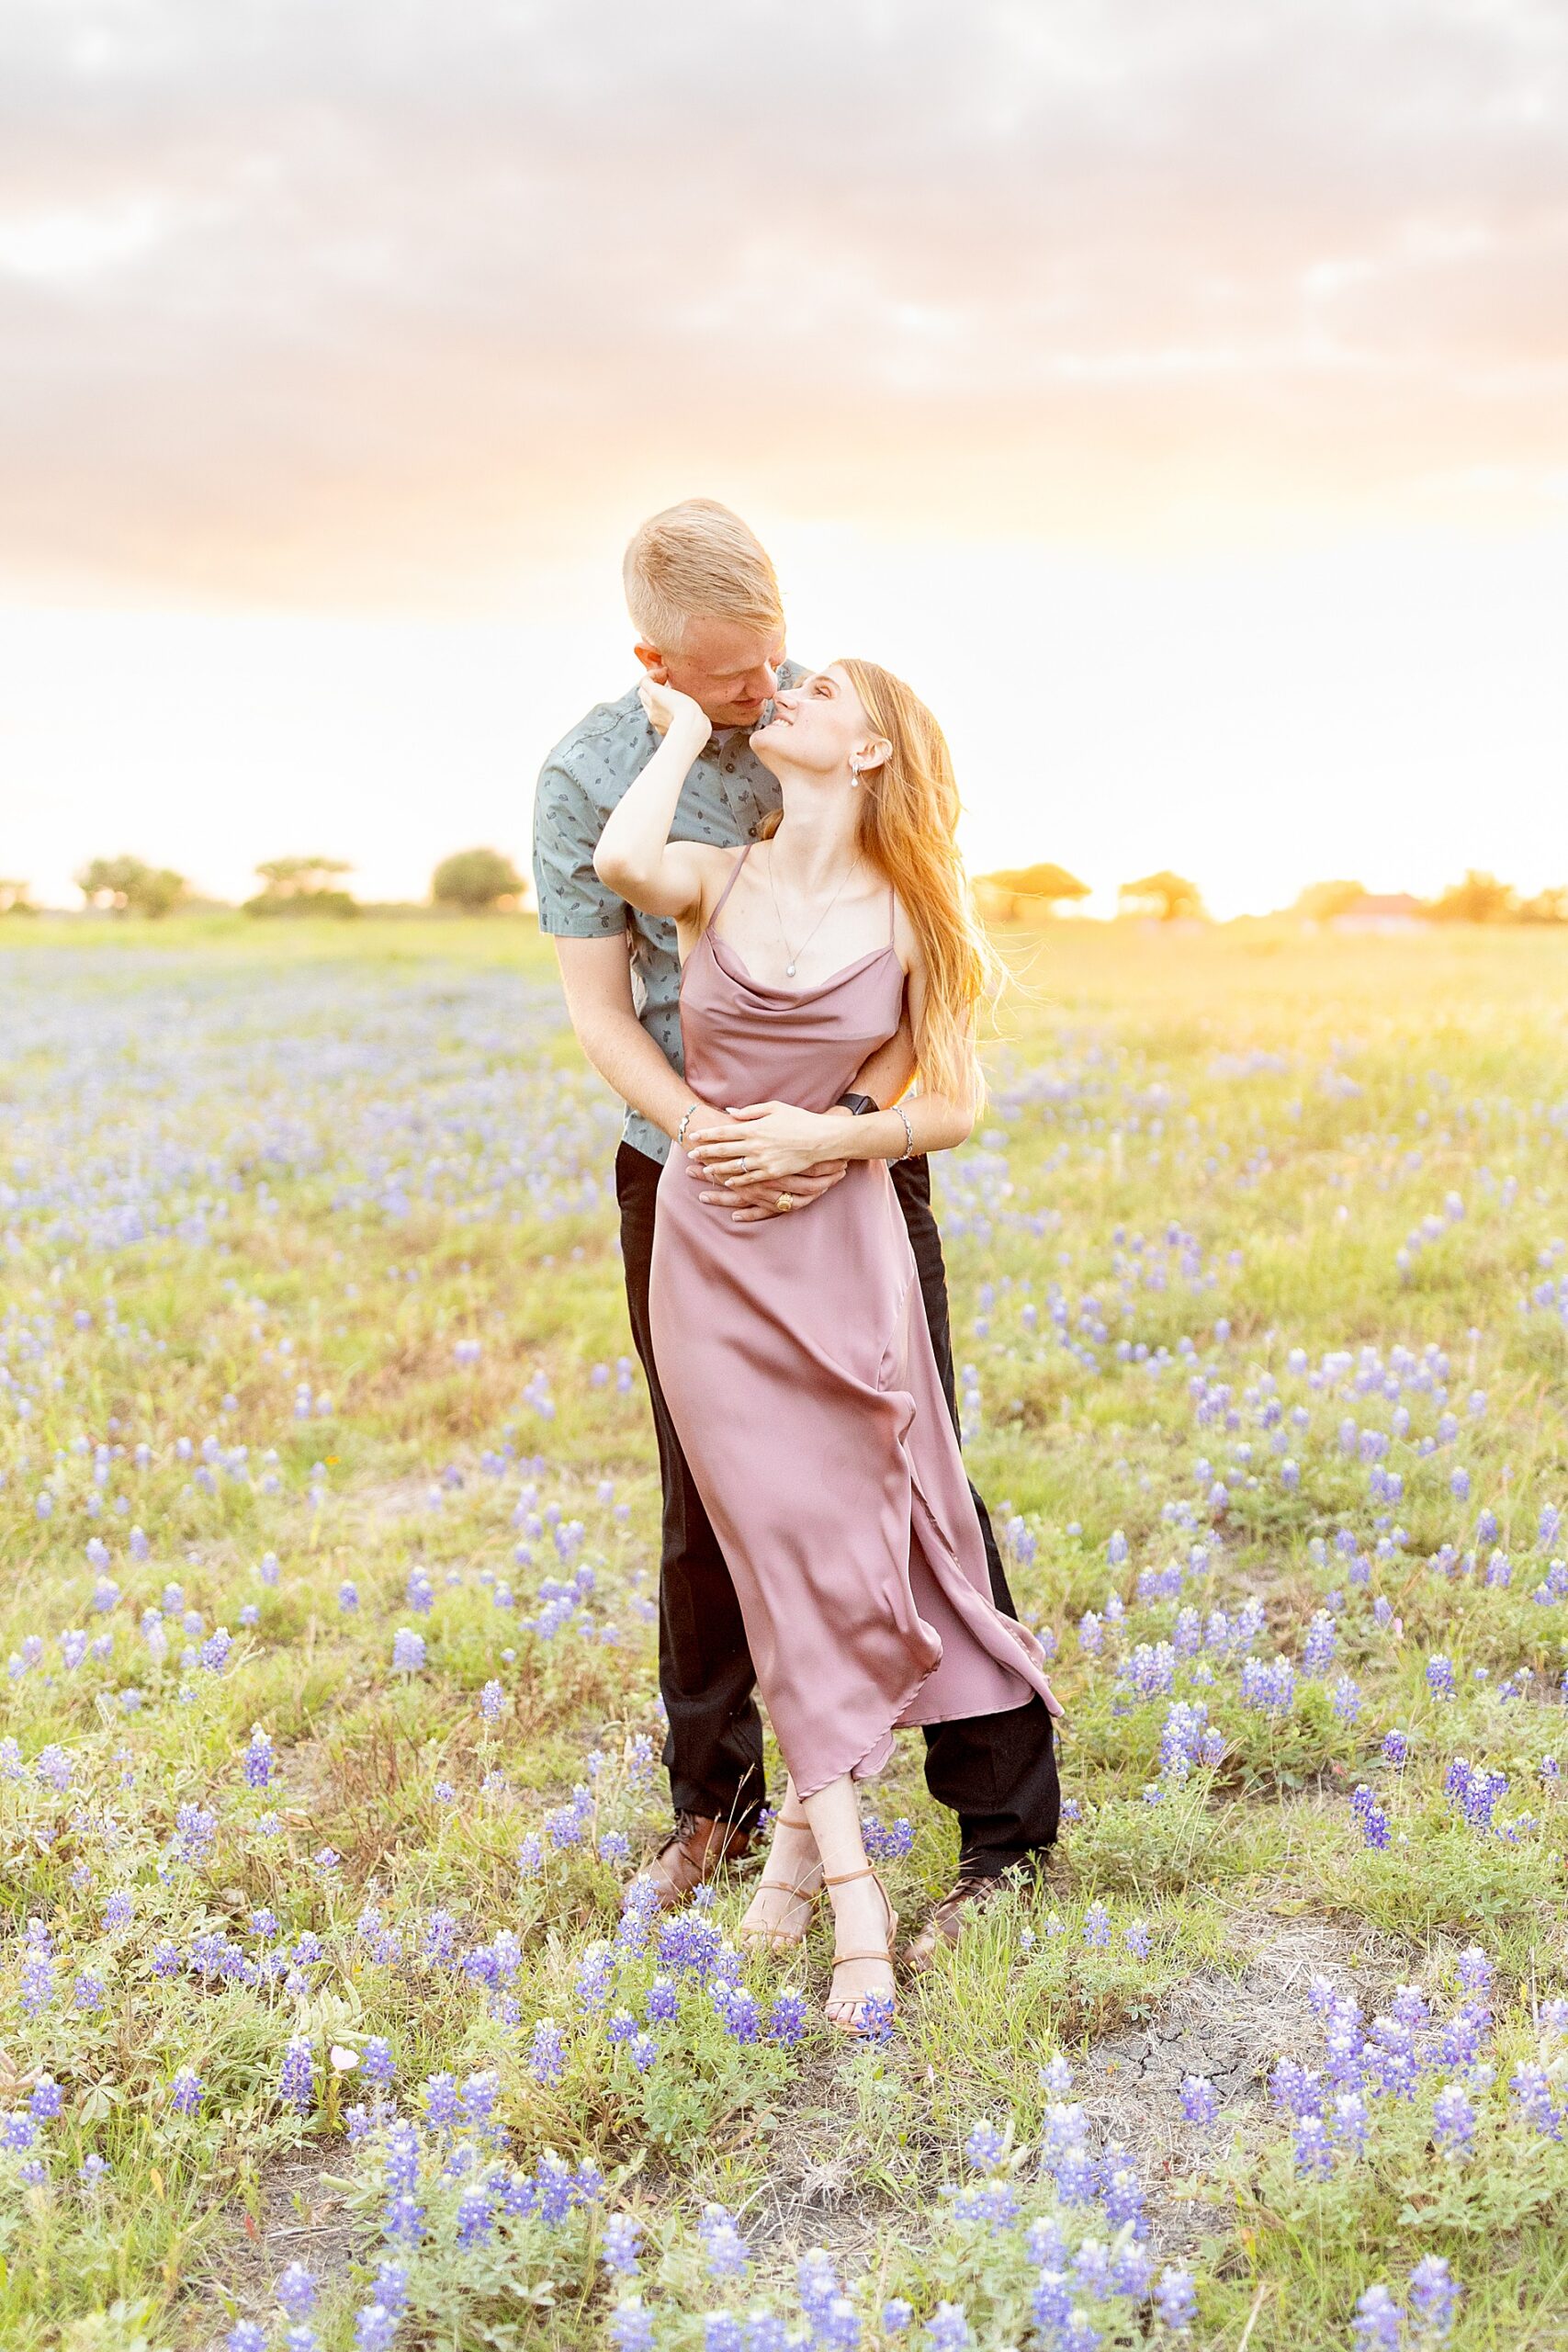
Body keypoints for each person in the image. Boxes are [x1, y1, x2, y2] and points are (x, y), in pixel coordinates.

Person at [531, 500, 1061, 1966]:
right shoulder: (592, 776)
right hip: (688, 1169)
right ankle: (722, 1805)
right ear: (658, 659)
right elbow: (598, 1007)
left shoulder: (834, 715)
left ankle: (1004, 1832)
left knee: (913, 1456)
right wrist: (715, 1142)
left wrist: (832, 1128)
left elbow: (918, 958)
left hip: (847, 1164)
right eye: (733, 677)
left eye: (779, 660)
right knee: (710, 1494)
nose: (768, 690)